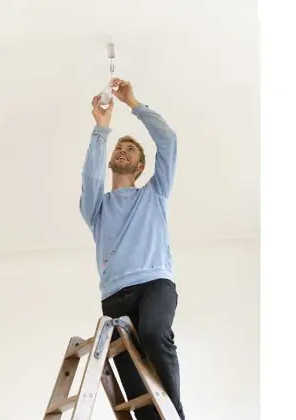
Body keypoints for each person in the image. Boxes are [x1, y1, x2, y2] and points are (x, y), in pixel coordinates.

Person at [79, 78, 185, 420]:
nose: (122, 150)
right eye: (118, 148)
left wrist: (133, 103)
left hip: (155, 285)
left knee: (154, 333)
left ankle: (177, 414)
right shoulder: (97, 209)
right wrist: (102, 128)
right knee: (135, 391)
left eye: (131, 149)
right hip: (114, 297)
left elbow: (168, 141)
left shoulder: (154, 194)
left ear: (141, 167)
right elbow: (90, 178)